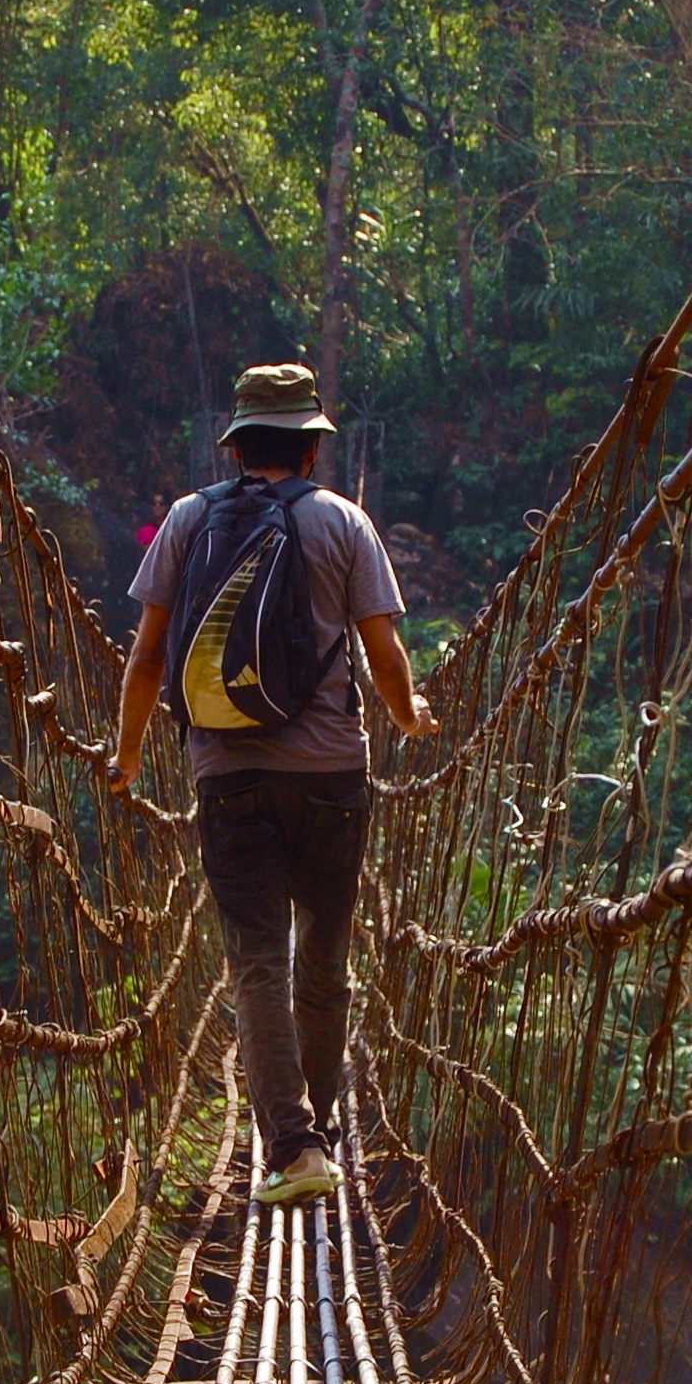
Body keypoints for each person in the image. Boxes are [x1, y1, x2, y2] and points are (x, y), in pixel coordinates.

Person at [108, 364, 438, 1206]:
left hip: (227, 774)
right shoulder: (343, 523)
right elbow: (384, 654)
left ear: (238, 444)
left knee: (257, 960)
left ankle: (293, 1149)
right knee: (323, 960)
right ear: (311, 446)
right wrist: (406, 719)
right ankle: (312, 1134)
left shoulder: (186, 522)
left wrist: (129, 755)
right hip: (332, 773)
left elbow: (147, 655)